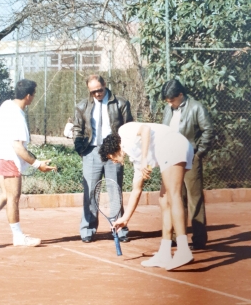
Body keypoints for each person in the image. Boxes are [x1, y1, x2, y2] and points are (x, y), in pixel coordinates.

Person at [99, 122, 195, 270]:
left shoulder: (123, 131)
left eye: (110, 158)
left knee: (174, 195)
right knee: (164, 199)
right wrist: (125, 219)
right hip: (172, 148)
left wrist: (145, 159)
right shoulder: (136, 159)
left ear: (112, 151)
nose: (113, 161)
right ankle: (164, 252)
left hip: (173, 144)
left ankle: (183, 250)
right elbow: (136, 190)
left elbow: (145, 129)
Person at [0, 79, 56, 248]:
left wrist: (37, 161)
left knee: (6, 195)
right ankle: (18, 237)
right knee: (14, 198)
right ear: (28, 96)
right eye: (33, 95)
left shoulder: (6, 105)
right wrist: (38, 165)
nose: (33, 98)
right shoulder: (18, 116)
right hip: (9, 160)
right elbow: (18, 148)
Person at [73, 74, 133, 243]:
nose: (97, 94)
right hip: (91, 151)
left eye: (99, 90)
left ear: (105, 85)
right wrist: (80, 148)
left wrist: (122, 149)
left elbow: (129, 127)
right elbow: (77, 128)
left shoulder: (121, 103)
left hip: (113, 151)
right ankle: (88, 230)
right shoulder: (82, 106)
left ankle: (119, 229)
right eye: (93, 92)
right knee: (90, 191)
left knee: (115, 190)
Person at [162, 79, 214, 250]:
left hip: (191, 157)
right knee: (177, 197)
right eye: (167, 101)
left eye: (172, 100)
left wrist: (198, 154)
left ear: (181, 95)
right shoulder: (168, 108)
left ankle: (199, 240)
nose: (169, 103)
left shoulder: (196, 107)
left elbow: (208, 130)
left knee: (194, 199)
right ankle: (178, 236)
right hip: (172, 158)